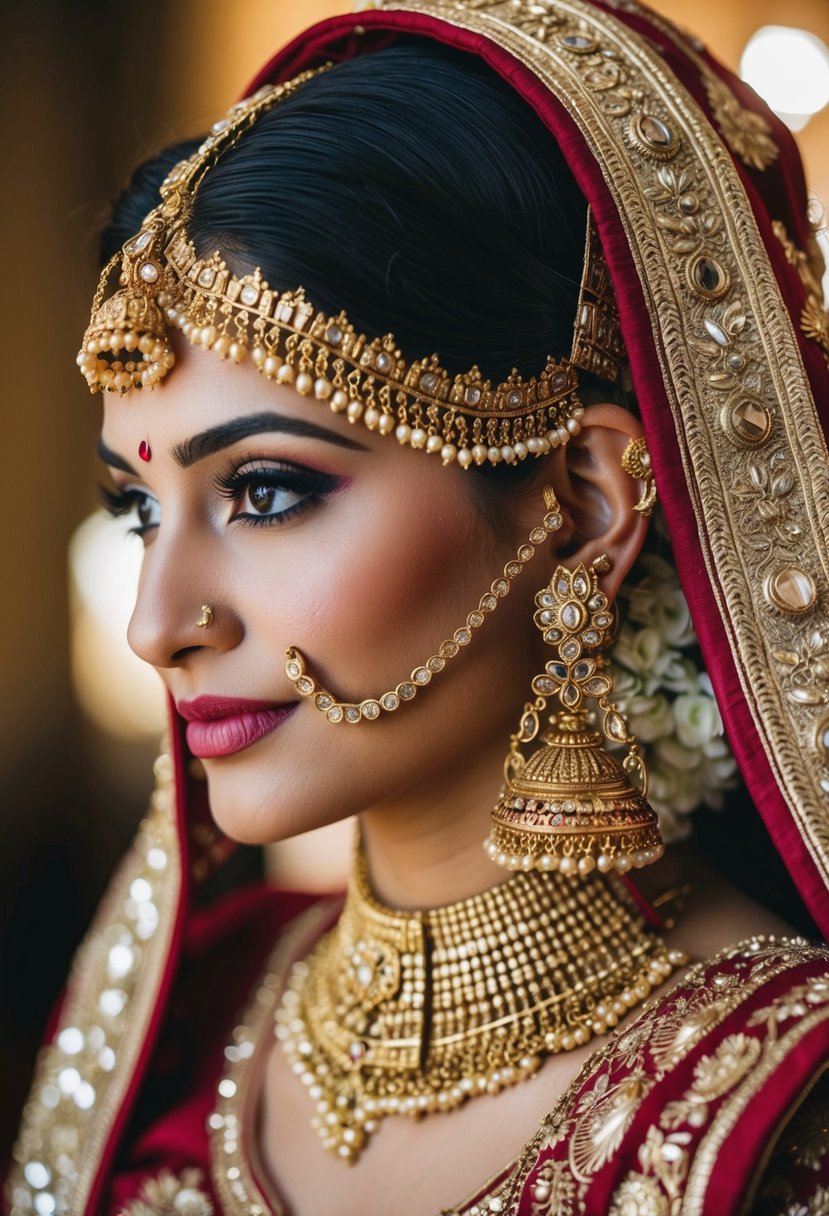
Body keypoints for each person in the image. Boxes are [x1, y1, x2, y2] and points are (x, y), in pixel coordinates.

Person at [7, 1, 829, 1213]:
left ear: (589, 504)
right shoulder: (178, 1029)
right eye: (138, 507)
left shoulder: (778, 1124)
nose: (156, 621)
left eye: (268, 489)